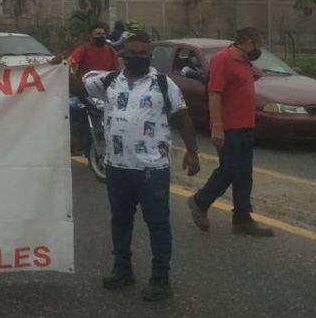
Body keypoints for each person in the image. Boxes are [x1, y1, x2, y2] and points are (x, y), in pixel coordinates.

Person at [83, 32, 201, 302]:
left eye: (141, 53)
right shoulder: (110, 81)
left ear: (148, 56)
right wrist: (59, 67)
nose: (136, 57)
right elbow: (79, 89)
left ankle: (161, 279)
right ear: (122, 54)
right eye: (131, 52)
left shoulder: (163, 83)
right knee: (120, 221)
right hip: (116, 167)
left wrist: (193, 152)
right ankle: (122, 269)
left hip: (152, 170)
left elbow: (182, 116)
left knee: (158, 224)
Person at [188, 27, 273, 237]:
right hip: (229, 126)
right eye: (257, 43)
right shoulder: (222, 59)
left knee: (244, 173)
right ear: (245, 41)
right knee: (230, 168)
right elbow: (215, 93)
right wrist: (217, 126)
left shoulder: (244, 61)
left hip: (246, 124)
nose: (259, 48)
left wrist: (254, 76)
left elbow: (236, 89)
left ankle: (242, 219)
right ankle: (200, 201)